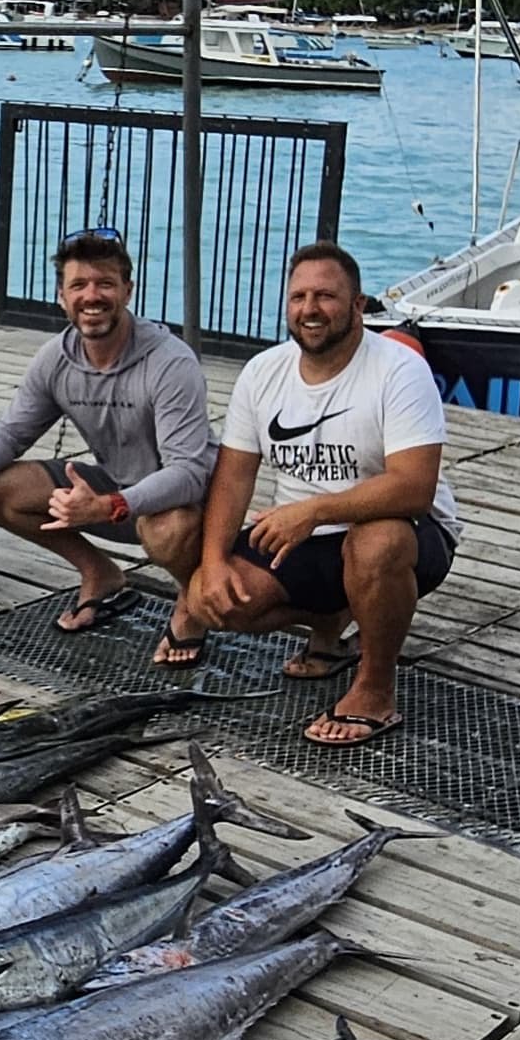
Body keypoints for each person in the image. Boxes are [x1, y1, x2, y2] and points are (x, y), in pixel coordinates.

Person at [169, 238, 459, 746]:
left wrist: (314, 510)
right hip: (303, 535)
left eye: (325, 296)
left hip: (407, 534)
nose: (310, 309)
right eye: (299, 297)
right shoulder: (263, 372)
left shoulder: (400, 370)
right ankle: (335, 616)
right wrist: (213, 562)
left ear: (358, 305)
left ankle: (375, 687)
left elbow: (414, 488)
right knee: (212, 600)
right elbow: (234, 476)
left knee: (376, 542)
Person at [0, 228, 216, 648]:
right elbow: (15, 429)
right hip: (113, 491)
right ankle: (100, 572)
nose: (91, 296)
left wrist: (110, 505)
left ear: (128, 290)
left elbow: (188, 472)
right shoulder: (56, 357)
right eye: (79, 285)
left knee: (166, 527)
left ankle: (192, 596)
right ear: (61, 296)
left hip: (186, 504)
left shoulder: (170, 362)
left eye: (105, 284)